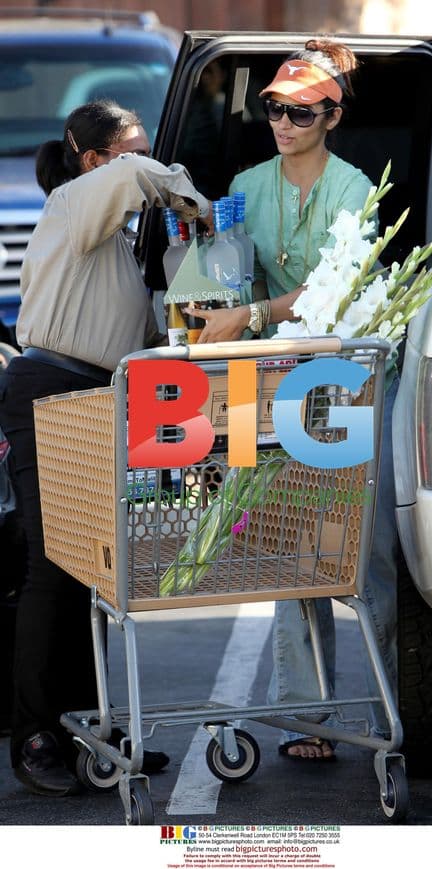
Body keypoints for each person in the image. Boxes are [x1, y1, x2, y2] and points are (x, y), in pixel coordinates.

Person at [190, 38, 399, 759]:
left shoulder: (355, 188)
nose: (283, 122)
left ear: (333, 117)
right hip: (276, 380)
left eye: (301, 114)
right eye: (274, 108)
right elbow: (230, 274)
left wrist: (250, 316)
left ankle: (380, 712)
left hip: (347, 381)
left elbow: (336, 291)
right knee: (292, 547)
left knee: (362, 553)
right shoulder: (245, 183)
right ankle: (306, 716)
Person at [0, 99, 211, 796]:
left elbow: (180, 313)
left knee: (92, 570)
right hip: (50, 390)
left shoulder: (120, 239)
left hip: (101, 398)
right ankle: (33, 732)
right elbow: (139, 178)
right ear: (92, 159)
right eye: (130, 149)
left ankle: (85, 724)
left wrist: (190, 237)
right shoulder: (73, 202)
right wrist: (182, 185)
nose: (142, 162)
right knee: (48, 566)